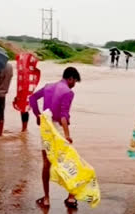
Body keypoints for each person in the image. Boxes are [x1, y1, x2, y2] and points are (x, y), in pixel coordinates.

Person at [29, 67, 81, 208]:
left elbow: (32, 98)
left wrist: (38, 115)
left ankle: (46, 199)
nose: (74, 84)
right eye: (75, 81)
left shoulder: (48, 86)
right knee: (68, 162)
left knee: (46, 164)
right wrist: (67, 135)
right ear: (70, 78)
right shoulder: (68, 92)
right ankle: (70, 197)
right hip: (57, 127)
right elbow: (63, 116)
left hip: (46, 127)